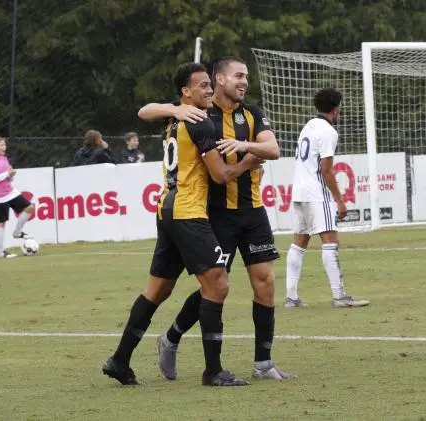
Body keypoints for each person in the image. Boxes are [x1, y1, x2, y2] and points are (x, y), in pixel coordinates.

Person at [103, 62, 260, 387]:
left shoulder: (177, 117)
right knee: (217, 284)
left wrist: (175, 107)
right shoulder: (200, 121)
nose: (208, 90)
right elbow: (220, 174)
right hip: (188, 211)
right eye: (202, 86)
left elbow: (144, 110)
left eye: (208, 85)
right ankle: (213, 371)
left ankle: (120, 360)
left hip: (167, 207)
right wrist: (248, 161)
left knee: (157, 289)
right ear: (186, 91)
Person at [138, 56, 296, 381]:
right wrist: (175, 109)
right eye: (239, 76)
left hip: (252, 211)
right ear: (220, 79)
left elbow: (274, 149)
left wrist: (244, 144)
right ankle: (172, 337)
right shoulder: (200, 111)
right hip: (215, 215)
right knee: (215, 285)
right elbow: (145, 112)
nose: (244, 82)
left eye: (246, 77)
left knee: (265, 281)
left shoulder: (252, 114)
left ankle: (263, 363)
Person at [284, 88, 370, 309]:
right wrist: (340, 200)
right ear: (336, 108)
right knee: (330, 241)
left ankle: (291, 297)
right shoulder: (328, 131)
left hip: (299, 192)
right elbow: (327, 170)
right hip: (316, 193)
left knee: (299, 243)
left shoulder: (308, 126)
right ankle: (339, 296)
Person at [0, 137, 34, 259]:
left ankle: (17, 232)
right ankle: (0, 252)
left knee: (29, 207)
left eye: (4, 145)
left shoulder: (4, 159)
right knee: (1, 223)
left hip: (10, 192)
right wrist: (7, 174)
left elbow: (8, 178)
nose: (4, 148)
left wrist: (11, 176)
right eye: (1, 145)